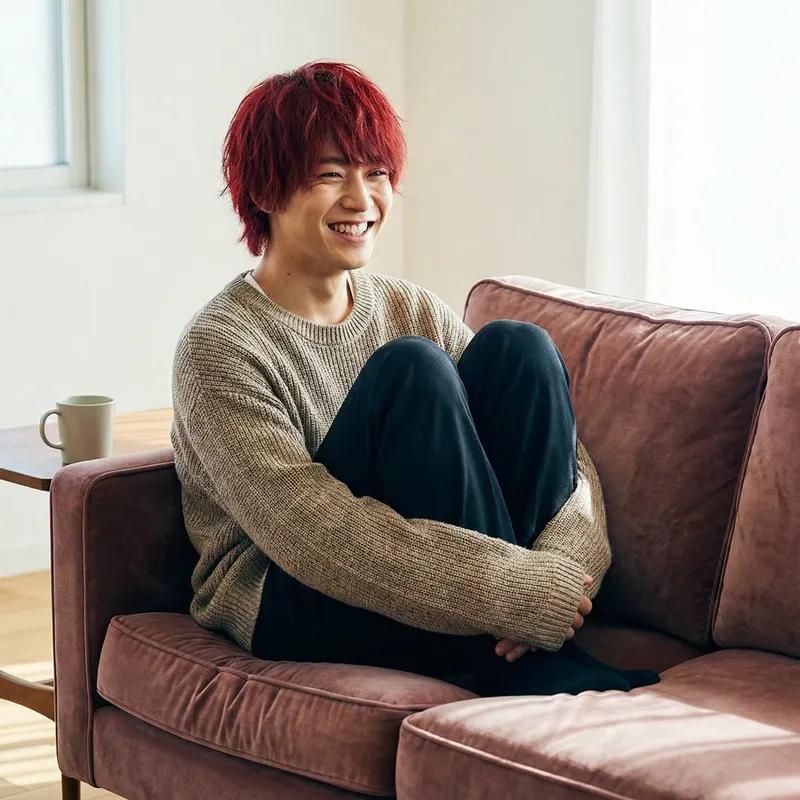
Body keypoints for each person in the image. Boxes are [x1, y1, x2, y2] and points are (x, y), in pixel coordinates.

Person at [170, 61, 658, 696]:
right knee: (413, 369)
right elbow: (307, 530)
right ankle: (522, 667)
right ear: (265, 191)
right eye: (330, 175)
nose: (361, 199)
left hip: (438, 580)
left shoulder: (409, 306)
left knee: (521, 349)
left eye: (376, 173)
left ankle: (512, 654)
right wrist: (509, 593)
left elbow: (570, 461)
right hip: (289, 593)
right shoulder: (220, 346)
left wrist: (562, 574)